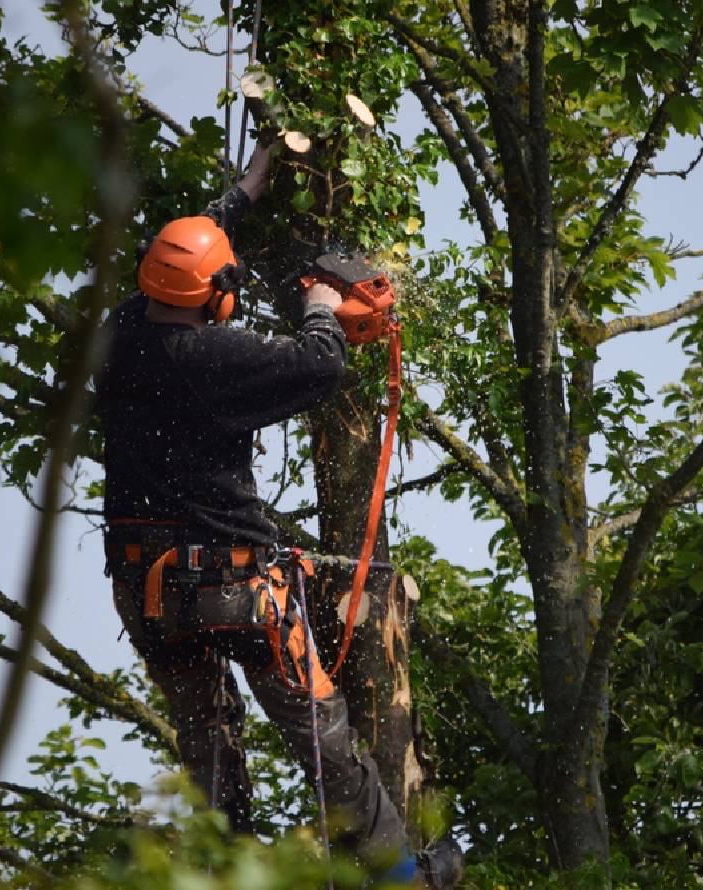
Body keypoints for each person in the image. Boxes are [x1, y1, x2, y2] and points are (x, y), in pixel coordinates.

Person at [95, 143, 462, 888]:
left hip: (146, 593)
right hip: (232, 587)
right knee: (318, 733)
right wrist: (322, 310)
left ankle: (232, 872)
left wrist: (247, 191)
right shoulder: (216, 358)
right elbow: (318, 367)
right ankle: (399, 876)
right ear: (218, 293)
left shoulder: (120, 333)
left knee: (208, 743)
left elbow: (184, 252)